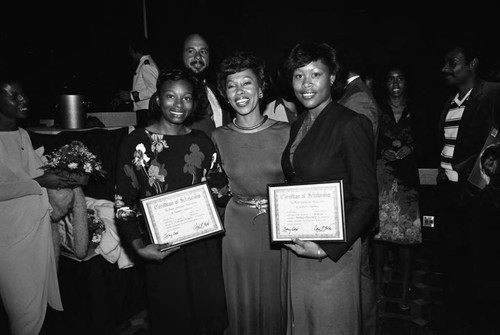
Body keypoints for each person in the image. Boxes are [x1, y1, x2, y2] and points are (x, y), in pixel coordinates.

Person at [114, 68, 228, 334]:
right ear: (157, 99)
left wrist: (222, 193)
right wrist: (139, 248)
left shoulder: (202, 141)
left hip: (205, 248)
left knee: (208, 321)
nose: (179, 105)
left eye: (186, 98)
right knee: (171, 321)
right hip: (163, 251)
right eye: (170, 96)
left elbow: (218, 185)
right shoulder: (136, 143)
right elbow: (123, 205)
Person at [280, 42, 378, 334]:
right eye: (299, 76)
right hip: (300, 244)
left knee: (330, 324)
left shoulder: (351, 123)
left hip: (335, 249)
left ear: (332, 77)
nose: (306, 84)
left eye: (315, 74)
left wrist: (326, 248)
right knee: (304, 322)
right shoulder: (299, 124)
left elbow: (366, 199)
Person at [211, 51, 290, 335]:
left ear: (261, 87)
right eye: (232, 85)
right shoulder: (218, 137)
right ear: (225, 94)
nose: (240, 92)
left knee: (276, 299)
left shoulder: (287, 132)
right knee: (240, 298)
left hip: (278, 229)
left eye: (247, 83)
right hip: (237, 229)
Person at [0, 74, 77, 335]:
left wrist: (67, 174)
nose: (24, 100)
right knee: (23, 313)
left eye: (23, 94)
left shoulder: (22, 134)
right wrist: (42, 180)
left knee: (39, 310)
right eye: (14, 95)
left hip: (38, 232)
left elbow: (36, 172)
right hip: (10, 240)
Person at [436, 38, 500, 326]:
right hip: (451, 196)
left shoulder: (493, 95)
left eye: (453, 63)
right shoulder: (449, 104)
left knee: (479, 268)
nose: (444, 68)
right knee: (452, 264)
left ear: (472, 64)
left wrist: (485, 193)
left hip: (480, 198)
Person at [372, 64, 425, 311]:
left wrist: (411, 148)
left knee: (408, 238)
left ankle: (404, 292)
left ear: (406, 82)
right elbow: (367, 140)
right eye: (391, 79)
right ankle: (377, 289)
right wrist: (381, 150)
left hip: (407, 182)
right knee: (379, 235)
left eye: (400, 78)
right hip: (382, 178)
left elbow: (429, 140)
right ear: (385, 84)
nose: (395, 84)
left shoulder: (417, 110)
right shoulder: (376, 109)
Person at [336, 43, 380, 335]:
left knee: (359, 279)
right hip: (351, 204)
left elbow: (358, 160)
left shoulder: (358, 100)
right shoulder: (352, 95)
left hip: (353, 205)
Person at [181, 32, 232, 136]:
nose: (198, 57)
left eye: (203, 52)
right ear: (182, 56)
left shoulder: (220, 92)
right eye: (191, 51)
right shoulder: (169, 97)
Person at [112, 35, 160, 127]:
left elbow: (154, 90)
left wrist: (130, 96)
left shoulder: (146, 65)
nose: (129, 53)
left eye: (130, 50)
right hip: (145, 110)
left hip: (147, 111)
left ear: (135, 50)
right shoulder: (144, 63)